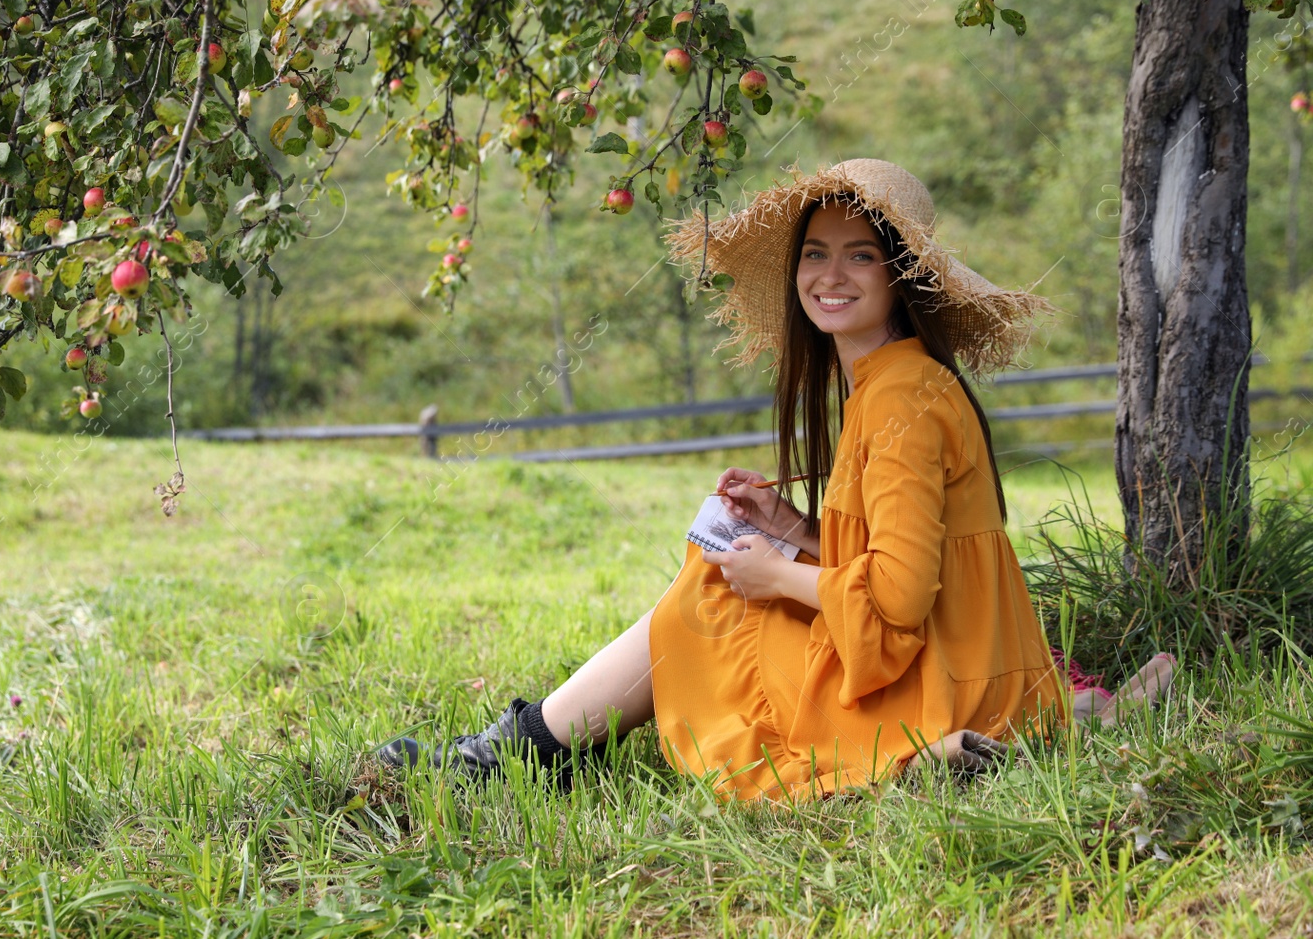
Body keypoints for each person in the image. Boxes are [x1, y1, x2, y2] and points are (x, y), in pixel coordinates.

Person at [376, 159, 1177, 800]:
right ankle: (521, 748)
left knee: (712, 592)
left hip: (936, 677)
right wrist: (793, 528)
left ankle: (512, 757)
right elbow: (904, 555)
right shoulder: (899, 382)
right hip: (962, 653)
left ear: (899, 276)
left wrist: (778, 574)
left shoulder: (899, 401)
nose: (831, 275)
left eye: (860, 254)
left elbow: (896, 602)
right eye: (815, 254)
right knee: (730, 561)